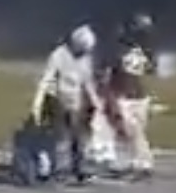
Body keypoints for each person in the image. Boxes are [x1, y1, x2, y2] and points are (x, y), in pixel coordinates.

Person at [29, 23, 101, 184]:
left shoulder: (86, 59)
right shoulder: (59, 55)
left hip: (76, 101)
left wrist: (96, 101)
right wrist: (38, 102)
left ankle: (79, 168)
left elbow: (87, 82)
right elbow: (47, 79)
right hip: (58, 99)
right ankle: (58, 169)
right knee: (61, 137)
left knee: (79, 137)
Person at [102, 12, 158, 180]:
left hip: (137, 97)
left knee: (135, 132)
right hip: (125, 97)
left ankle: (143, 164)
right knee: (127, 131)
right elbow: (111, 74)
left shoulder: (142, 52)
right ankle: (133, 162)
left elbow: (150, 69)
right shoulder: (121, 52)